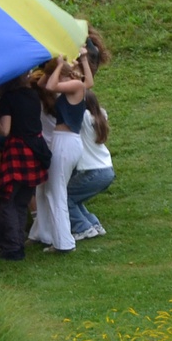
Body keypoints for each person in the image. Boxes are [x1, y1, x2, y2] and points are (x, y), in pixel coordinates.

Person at [32, 57, 89, 252]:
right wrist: (52, 68)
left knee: (57, 192)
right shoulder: (71, 85)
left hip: (66, 142)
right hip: (61, 140)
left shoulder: (74, 85)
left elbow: (50, 85)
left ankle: (64, 243)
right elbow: (43, 83)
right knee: (50, 190)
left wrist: (56, 66)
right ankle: (49, 235)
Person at [0, 70, 50, 261]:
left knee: (7, 200)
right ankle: (16, 244)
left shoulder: (8, 98)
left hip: (18, 150)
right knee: (22, 200)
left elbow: (6, 130)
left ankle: (11, 248)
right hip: (35, 149)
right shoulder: (33, 94)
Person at [68, 93, 114, 239]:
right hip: (106, 170)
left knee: (65, 196)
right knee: (76, 198)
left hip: (94, 172)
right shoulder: (99, 116)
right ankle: (93, 223)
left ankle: (82, 227)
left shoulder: (85, 117)